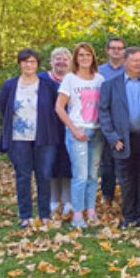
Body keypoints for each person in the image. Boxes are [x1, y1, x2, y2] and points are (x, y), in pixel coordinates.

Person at [0, 49, 60, 228]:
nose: (28, 65)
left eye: (32, 62)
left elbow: (55, 109)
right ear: (19, 64)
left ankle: (45, 215)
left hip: (44, 137)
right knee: (23, 176)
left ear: (38, 65)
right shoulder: (10, 85)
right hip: (18, 138)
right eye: (25, 61)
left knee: (44, 176)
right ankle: (25, 215)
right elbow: (5, 109)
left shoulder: (47, 85)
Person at [99, 47, 140, 229]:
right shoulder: (111, 85)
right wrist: (113, 138)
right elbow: (103, 113)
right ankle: (129, 217)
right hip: (122, 141)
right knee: (126, 181)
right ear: (125, 63)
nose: (139, 64)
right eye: (135, 61)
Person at [55, 43, 106, 228]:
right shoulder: (70, 79)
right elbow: (59, 107)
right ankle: (77, 214)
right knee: (80, 175)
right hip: (78, 132)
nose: (85, 58)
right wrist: (74, 129)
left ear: (93, 57)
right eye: (81, 55)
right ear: (76, 59)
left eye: (88, 55)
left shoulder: (100, 79)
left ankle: (90, 210)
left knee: (93, 175)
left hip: (97, 131)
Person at [38, 47, 72, 216]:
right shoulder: (42, 80)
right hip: (48, 128)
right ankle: (53, 199)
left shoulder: (74, 79)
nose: (61, 61)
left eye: (65, 58)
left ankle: (67, 200)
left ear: (71, 62)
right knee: (50, 163)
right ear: (51, 61)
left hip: (70, 127)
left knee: (67, 164)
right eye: (57, 58)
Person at [98, 38, 128, 212]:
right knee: (107, 164)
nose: (116, 51)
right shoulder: (100, 72)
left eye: (120, 48)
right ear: (107, 51)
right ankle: (108, 196)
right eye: (113, 48)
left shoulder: (130, 70)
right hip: (106, 123)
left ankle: (126, 196)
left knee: (125, 163)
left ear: (124, 51)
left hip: (125, 124)